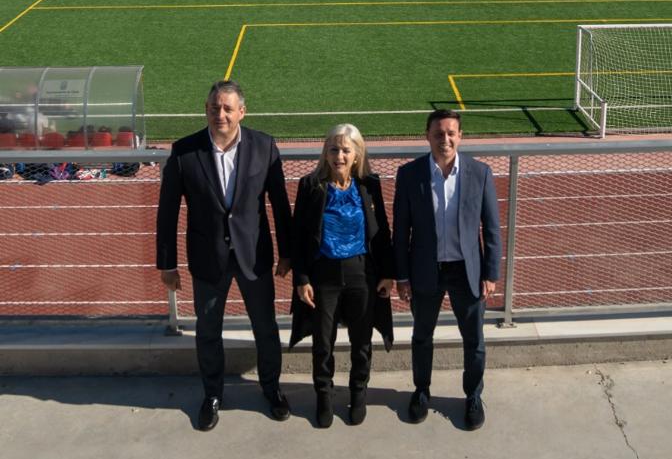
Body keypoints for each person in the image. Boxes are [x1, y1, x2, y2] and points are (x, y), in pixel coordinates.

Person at [156, 81, 293, 431]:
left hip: (254, 257)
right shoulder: (185, 151)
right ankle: (212, 394)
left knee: (265, 328)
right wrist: (167, 263)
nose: (221, 114)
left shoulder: (264, 146)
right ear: (206, 108)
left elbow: (279, 204)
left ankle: (271, 388)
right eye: (215, 107)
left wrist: (287, 254)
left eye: (228, 108)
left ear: (241, 112)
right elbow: (167, 210)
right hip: (207, 258)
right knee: (208, 332)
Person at [393, 109, 501, 431]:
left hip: (466, 270)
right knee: (422, 336)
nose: (445, 139)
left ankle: (473, 396)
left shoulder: (479, 173)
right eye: (439, 133)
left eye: (451, 133)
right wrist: (402, 276)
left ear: (460, 136)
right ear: (427, 136)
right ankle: (421, 391)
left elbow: (491, 228)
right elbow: (401, 230)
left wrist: (491, 273)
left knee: (474, 340)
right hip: (425, 269)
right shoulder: (409, 174)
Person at [290, 124, 394, 428]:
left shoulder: (369, 184)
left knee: (362, 341)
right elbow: (298, 236)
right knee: (323, 342)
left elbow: (382, 231)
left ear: (357, 153)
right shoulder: (311, 184)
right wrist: (302, 278)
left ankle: (358, 393)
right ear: (326, 152)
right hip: (324, 276)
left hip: (362, 273)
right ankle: (324, 395)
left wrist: (387, 274)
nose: (339, 155)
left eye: (346, 149)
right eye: (334, 149)